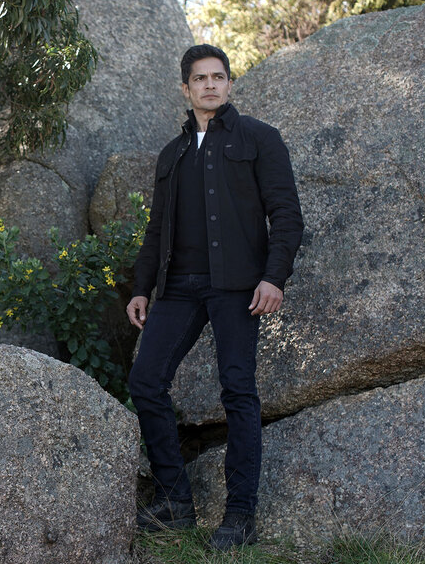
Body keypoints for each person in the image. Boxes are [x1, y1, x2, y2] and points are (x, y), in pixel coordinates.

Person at [127, 45, 303, 550]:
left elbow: (286, 213)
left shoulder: (259, 139)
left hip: (238, 287)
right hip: (179, 288)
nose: (210, 85)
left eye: (218, 77)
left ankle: (239, 516)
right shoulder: (172, 154)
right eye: (200, 78)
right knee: (146, 380)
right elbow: (156, 230)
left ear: (229, 83)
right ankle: (176, 502)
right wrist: (141, 288)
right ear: (186, 88)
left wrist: (274, 277)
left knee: (238, 392)